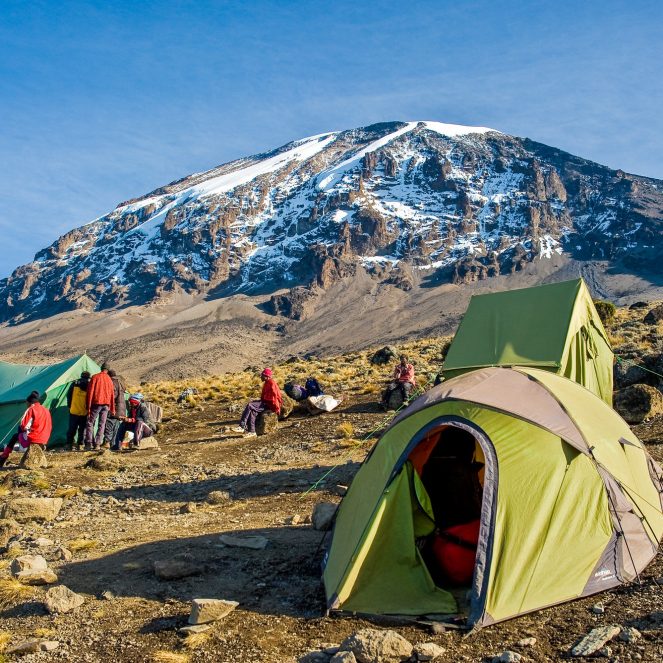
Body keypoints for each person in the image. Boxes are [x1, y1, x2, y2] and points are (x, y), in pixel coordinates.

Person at [0, 391, 52, 467]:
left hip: (33, 439)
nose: (26, 404)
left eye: (26, 402)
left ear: (29, 402)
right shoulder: (46, 410)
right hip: (45, 439)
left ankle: (3, 457)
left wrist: (21, 432)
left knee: (15, 436)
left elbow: (23, 426)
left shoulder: (31, 409)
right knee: (19, 434)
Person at [233, 368, 282, 438]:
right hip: (267, 402)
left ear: (267, 376)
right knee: (253, 411)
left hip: (269, 404)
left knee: (250, 405)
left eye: (262, 375)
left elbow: (274, 397)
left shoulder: (271, 383)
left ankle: (242, 426)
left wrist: (275, 408)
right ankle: (252, 431)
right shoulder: (267, 383)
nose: (261, 377)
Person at [84, 362, 115, 450]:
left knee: (90, 422)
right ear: (107, 370)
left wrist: (88, 405)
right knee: (102, 424)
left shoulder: (95, 377)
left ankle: (89, 443)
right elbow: (112, 394)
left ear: (101, 368)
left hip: (96, 403)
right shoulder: (109, 379)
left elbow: (90, 392)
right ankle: (97, 444)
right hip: (106, 404)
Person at [66, 371, 90, 450]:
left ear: (81, 376)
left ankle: (69, 444)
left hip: (74, 410)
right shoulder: (89, 385)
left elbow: (69, 395)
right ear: (88, 377)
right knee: (82, 429)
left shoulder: (75, 383)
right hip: (84, 411)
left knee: (72, 428)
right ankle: (80, 444)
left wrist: (70, 406)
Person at [104, 369, 127, 449]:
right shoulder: (121, 382)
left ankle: (107, 443)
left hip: (114, 408)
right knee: (116, 427)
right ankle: (115, 444)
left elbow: (113, 396)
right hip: (122, 409)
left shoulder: (113, 382)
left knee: (109, 425)